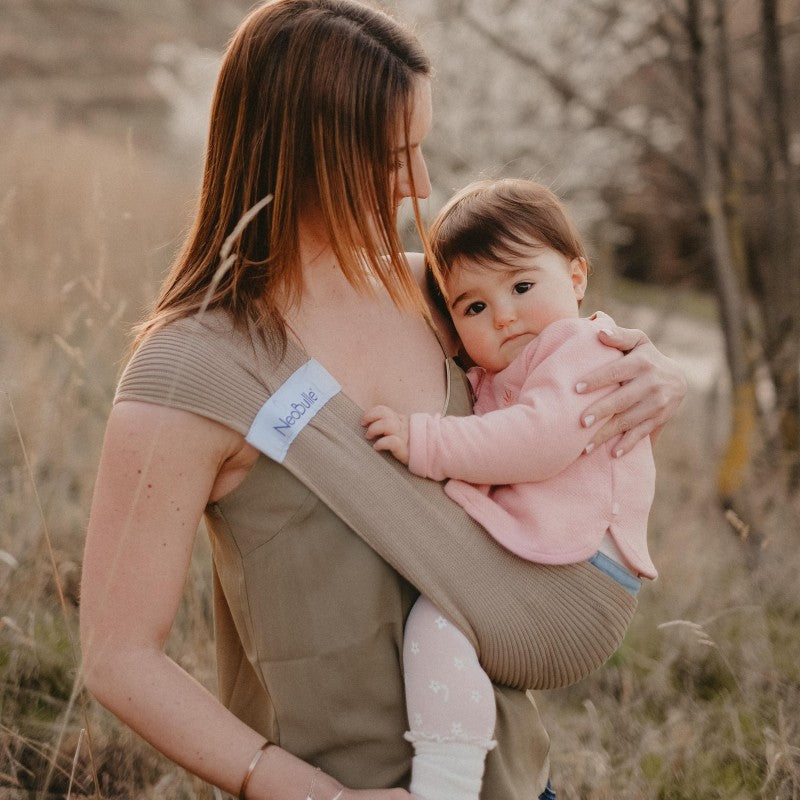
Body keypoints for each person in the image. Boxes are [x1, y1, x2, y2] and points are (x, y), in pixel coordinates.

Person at [78, 2, 686, 799]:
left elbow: (562, 353)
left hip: (516, 780)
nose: (423, 183)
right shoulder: (190, 374)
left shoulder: (438, 296)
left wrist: (653, 372)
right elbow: (117, 657)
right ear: (308, 155)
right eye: (396, 156)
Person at [363, 178, 658, 800]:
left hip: (582, 581)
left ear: (576, 277)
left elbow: (540, 437)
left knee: (437, 626)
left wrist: (428, 442)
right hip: (560, 572)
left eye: (523, 286)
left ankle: (445, 787)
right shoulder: (504, 369)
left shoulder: (580, 347)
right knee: (438, 626)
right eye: (473, 307)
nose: (503, 314)